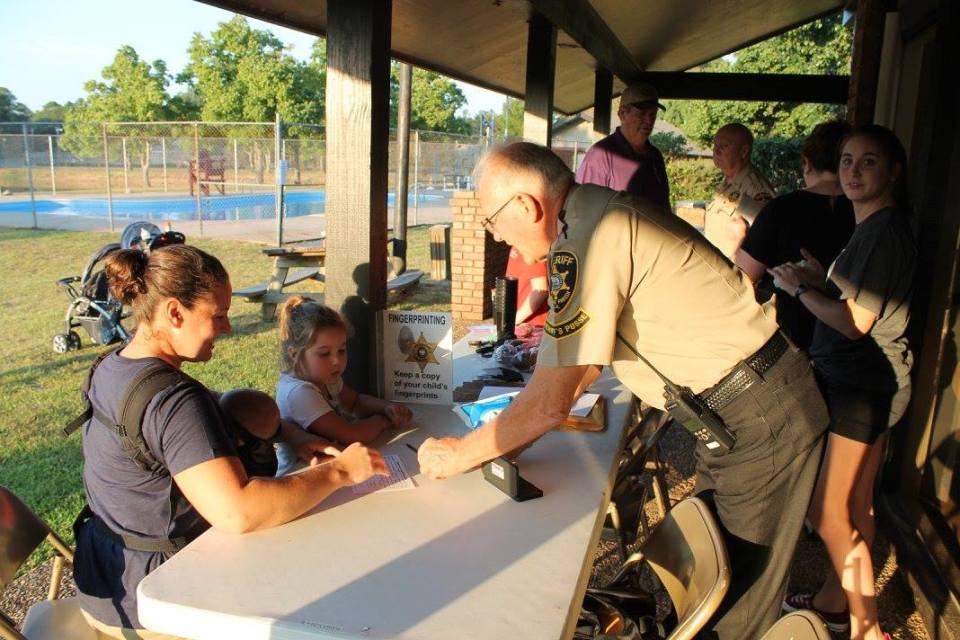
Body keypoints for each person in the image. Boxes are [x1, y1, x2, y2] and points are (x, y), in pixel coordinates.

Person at [418, 141, 829, 639]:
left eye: (492, 220)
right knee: (707, 576)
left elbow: (552, 399)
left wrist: (460, 453)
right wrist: (505, 446)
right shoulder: (591, 217)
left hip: (757, 415)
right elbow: (580, 371)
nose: (497, 235)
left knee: (733, 606)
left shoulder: (586, 239)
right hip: (737, 411)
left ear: (525, 206)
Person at [73, 245, 388, 639]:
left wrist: (291, 433)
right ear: (175, 312)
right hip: (155, 604)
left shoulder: (113, 364)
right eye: (217, 315)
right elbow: (238, 512)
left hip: (103, 576)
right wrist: (341, 471)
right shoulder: (174, 401)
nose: (227, 328)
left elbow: (211, 408)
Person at [771, 125, 915, 640]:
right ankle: (836, 602)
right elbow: (860, 301)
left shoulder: (881, 232)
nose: (854, 171)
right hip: (872, 383)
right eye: (848, 160)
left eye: (868, 161)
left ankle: (868, 630)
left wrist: (797, 290)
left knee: (827, 512)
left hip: (858, 387)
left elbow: (855, 323)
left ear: (892, 172)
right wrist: (818, 278)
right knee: (857, 506)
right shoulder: (874, 227)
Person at [732, 121, 856, 350]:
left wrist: (738, 240)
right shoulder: (863, 211)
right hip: (849, 344)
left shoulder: (781, 209)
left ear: (807, 163)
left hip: (790, 337)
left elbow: (742, 277)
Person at [275, 296, 413, 476]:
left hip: (327, 470)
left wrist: (387, 407)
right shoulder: (298, 393)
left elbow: (355, 402)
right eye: (324, 353)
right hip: (299, 477)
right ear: (294, 355)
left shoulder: (324, 377)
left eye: (341, 350)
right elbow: (351, 436)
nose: (336, 360)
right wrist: (385, 421)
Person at [574, 82, 670, 210]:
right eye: (642, 114)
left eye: (652, 114)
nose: (649, 120)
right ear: (622, 113)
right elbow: (584, 209)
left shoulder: (655, 156)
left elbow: (665, 207)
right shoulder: (601, 155)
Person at [704, 123, 775, 257]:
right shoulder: (726, 183)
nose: (716, 151)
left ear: (743, 152)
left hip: (733, 266)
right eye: (715, 146)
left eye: (723, 146)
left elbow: (766, 236)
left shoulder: (755, 187)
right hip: (715, 262)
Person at [505, 245, 549, 327]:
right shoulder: (517, 246)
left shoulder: (531, 247)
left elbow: (540, 291)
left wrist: (510, 322)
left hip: (532, 325)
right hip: (519, 322)